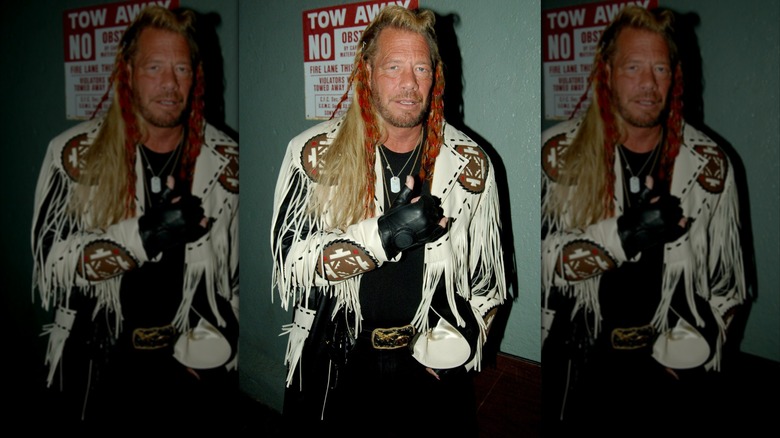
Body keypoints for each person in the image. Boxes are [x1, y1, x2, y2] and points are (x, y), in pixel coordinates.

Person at [271, 5, 507, 436]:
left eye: (421, 67)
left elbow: (489, 283)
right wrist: (385, 235)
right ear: (367, 72)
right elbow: (290, 263)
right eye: (393, 66)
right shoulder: (313, 154)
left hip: (428, 368)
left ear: (435, 75)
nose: (408, 83)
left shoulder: (470, 163)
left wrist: (463, 347)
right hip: (334, 363)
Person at [31, 6, 239, 432]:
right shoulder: (74, 154)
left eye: (181, 67)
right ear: (127, 72)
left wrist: (225, 351)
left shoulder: (227, 158)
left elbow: (238, 278)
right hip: (94, 367)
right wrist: (143, 236)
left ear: (195, 75)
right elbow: (49, 267)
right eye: (154, 67)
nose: (169, 83)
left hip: (192, 371)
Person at [540, 5, 746, 435]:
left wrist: (704, 358)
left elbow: (730, 288)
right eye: (633, 67)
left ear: (675, 76)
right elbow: (535, 263)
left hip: (671, 372)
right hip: (578, 370)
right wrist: (624, 235)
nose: (649, 84)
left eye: (660, 68)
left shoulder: (709, 165)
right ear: (608, 72)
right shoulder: (557, 153)